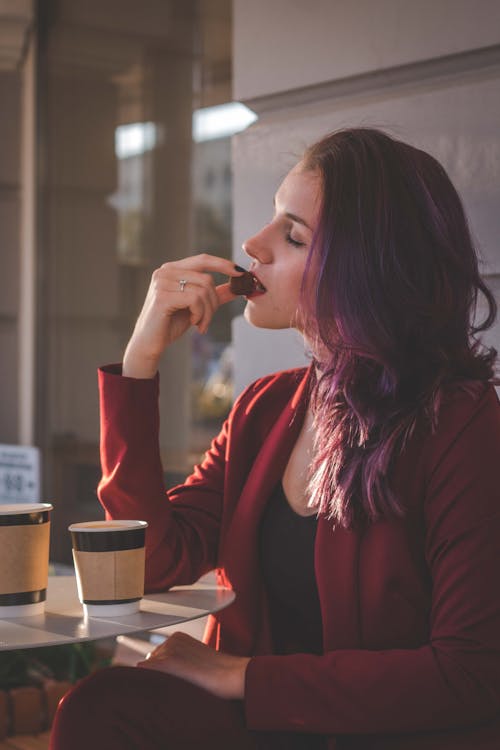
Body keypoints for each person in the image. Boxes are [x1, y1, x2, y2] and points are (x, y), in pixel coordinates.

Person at [50, 128, 500, 750]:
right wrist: (138, 365)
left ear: (365, 269)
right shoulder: (265, 409)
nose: (252, 246)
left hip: (376, 734)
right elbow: (152, 563)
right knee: (98, 710)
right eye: (270, 221)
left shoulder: (459, 422)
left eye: (293, 236)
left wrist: (242, 678)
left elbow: (470, 671)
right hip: (261, 729)